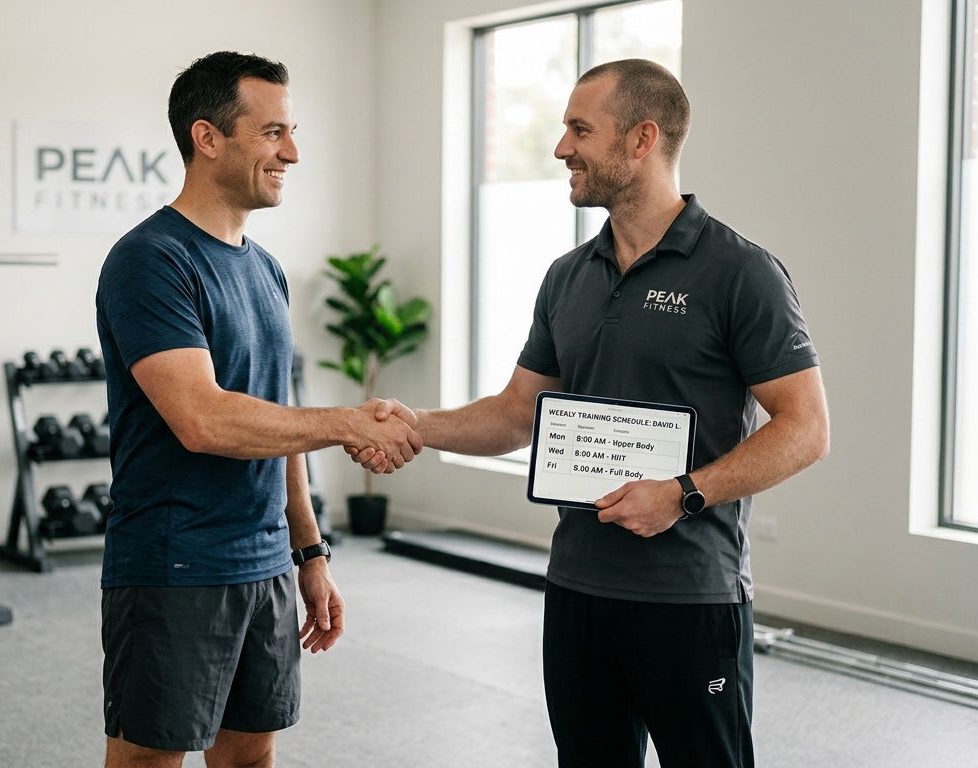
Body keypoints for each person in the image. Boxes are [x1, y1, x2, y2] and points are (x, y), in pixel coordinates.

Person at [355, 59, 829, 767]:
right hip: (577, 589)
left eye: (580, 129)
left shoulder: (741, 273)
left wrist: (683, 493)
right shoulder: (567, 276)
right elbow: (517, 413)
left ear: (642, 139)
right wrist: (413, 426)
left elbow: (807, 428)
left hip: (690, 596)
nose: (561, 149)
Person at [95, 51, 421, 768]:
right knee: (149, 760)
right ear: (207, 137)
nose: (292, 154)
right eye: (273, 133)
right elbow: (203, 419)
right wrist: (346, 422)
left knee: (250, 756)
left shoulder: (265, 267)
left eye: (291, 132)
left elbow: (279, 422)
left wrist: (309, 553)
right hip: (177, 563)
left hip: (264, 563)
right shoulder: (151, 259)